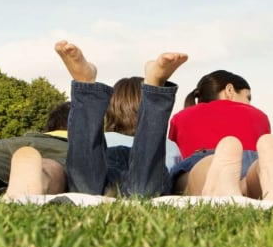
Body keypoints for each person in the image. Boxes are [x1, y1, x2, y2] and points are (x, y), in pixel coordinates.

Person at [54, 40, 187, 196]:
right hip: (147, 167)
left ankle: (86, 88)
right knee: (144, 191)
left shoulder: (104, 138)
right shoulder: (168, 145)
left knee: (85, 189)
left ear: (111, 110)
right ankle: (155, 86)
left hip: (108, 159)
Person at [168, 69, 271, 193]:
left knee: (191, 175)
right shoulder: (259, 115)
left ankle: (219, 182)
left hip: (203, 161)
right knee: (252, 176)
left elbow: (175, 154)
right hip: (249, 162)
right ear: (229, 90)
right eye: (248, 97)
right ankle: (261, 173)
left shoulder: (181, 117)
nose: (249, 103)